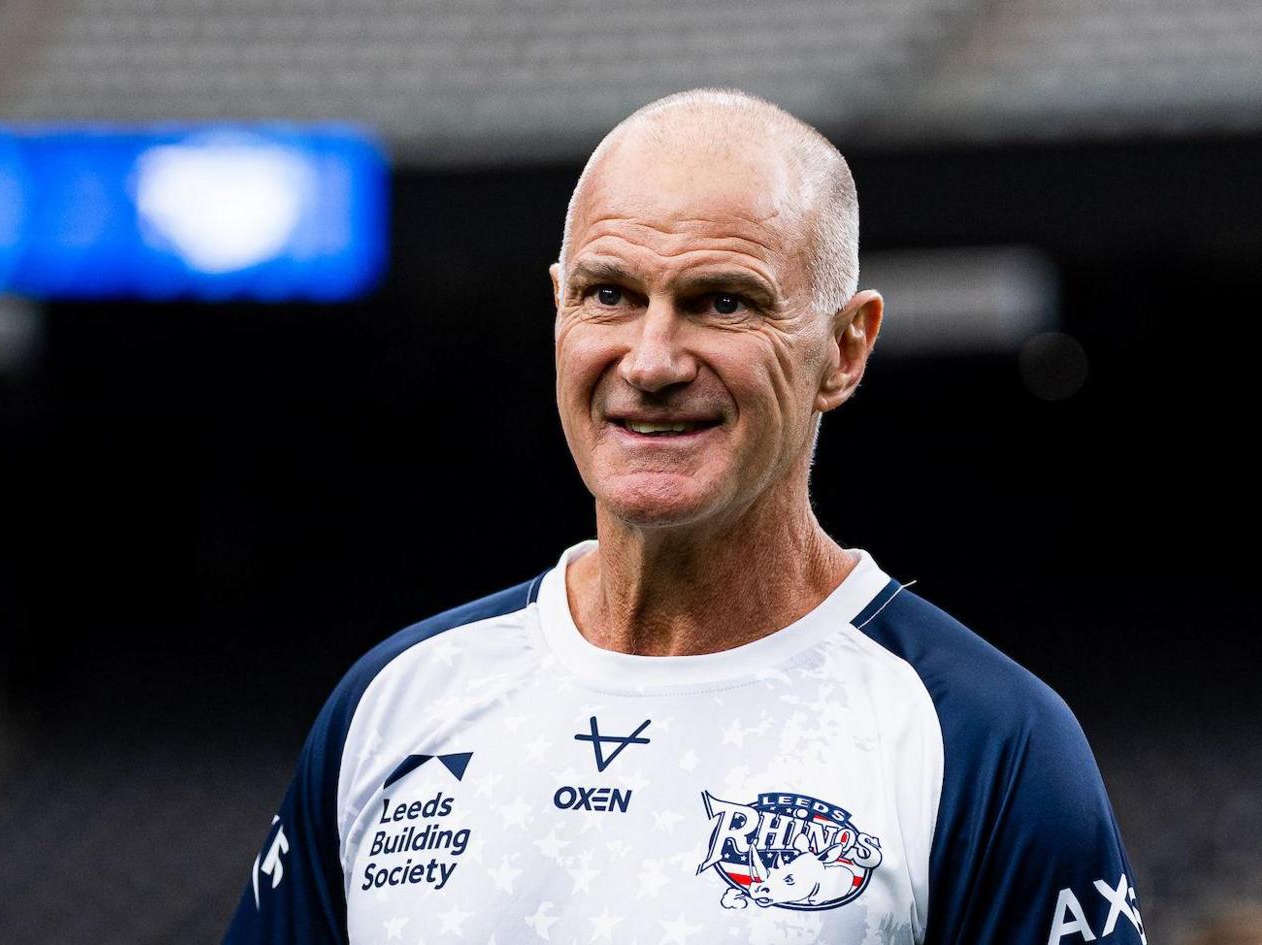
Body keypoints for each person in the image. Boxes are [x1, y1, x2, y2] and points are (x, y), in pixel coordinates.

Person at [223, 88, 1145, 945]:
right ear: (558, 312)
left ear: (845, 348)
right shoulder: (395, 703)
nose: (652, 359)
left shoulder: (983, 742)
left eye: (723, 302)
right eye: (610, 295)